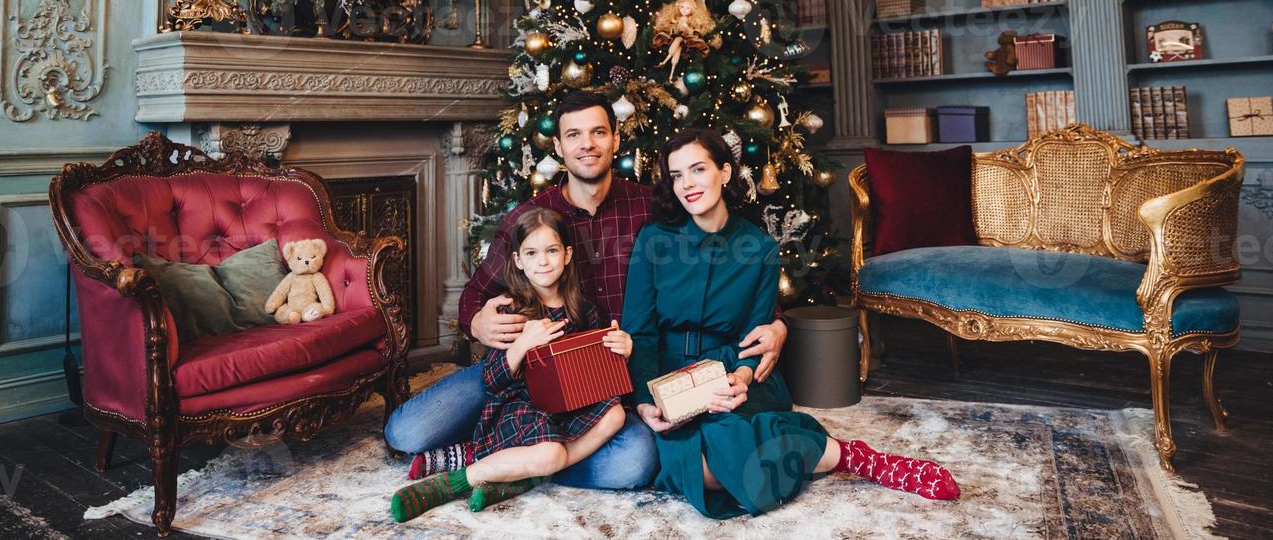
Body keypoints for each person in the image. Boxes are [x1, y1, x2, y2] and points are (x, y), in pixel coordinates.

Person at [383, 90, 790, 490]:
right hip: (528, 371)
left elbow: (726, 271)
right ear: (558, 145)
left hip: (603, 381)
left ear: (616, 139)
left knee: (634, 465)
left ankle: (504, 462)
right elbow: (474, 295)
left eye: (598, 132)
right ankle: (514, 451)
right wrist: (477, 321)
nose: (587, 145)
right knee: (406, 433)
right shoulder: (529, 218)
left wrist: (777, 325)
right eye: (574, 135)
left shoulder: (652, 208)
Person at [622, 128, 961, 519]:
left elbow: (754, 330)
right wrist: (646, 401)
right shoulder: (653, 240)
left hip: (729, 369)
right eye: (677, 175)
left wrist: (742, 378)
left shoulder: (760, 247)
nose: (687, 184)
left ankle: (858, 458)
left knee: (725, 448)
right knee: (706, 473)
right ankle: (830, 451)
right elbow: (640, 332)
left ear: (726, 172)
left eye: (698, 169)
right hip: (671, 378)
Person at [389, 207, 633, 521]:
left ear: (568, 254)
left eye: (552, 251)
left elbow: (597, 371)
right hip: (521, 405)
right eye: (531, 253)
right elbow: (491, 380)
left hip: (568, 406)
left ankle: (522, 475)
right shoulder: (511, 311)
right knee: (551, 453)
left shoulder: (583, 310)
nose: (543, 261)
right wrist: (520, 346)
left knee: (614, 415)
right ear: (518, 260)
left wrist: (619, 350)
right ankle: (458, 480)